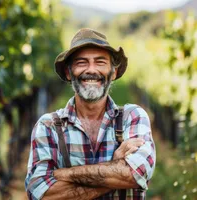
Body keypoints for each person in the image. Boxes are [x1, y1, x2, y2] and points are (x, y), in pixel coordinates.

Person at [25, 28, 156, 200]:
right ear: (68, 72)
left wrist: (65, 174)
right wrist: (115, 166)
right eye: (81, 62)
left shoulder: (133, 117)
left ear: (113, 72)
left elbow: (137, 173)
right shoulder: (48, 126)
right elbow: (40, 193)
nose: (91, 70)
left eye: (100, 62)